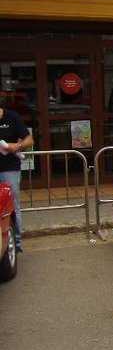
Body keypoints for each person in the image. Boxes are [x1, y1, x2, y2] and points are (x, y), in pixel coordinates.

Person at [0, 107, 34, 253]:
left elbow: (29, 140)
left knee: (12, 205)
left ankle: (16, 243)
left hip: (9, 169)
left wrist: (17, 145)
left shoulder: (12, 117)